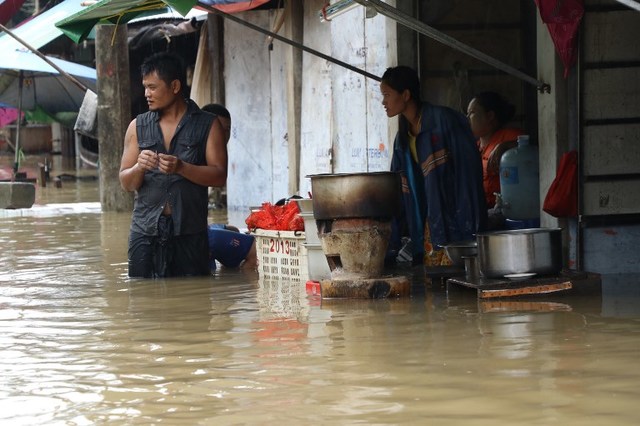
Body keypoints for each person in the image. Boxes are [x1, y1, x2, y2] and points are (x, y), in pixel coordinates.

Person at [119, 52, 228, 278]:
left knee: (193, 303)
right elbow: (126, 182)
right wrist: (139, 167)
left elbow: (219, 176)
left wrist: (182, 168)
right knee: (142, 302)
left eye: (153, 87)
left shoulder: (208, 124)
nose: (146, 94)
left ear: (175, 86)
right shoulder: (137, 126)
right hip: (145, 233)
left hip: (189, 233)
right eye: (145, 87)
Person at [380, 66, 487, 267]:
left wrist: (471, 226)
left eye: (387, 95)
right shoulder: (401, 139)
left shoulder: (445, 121)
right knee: (435, 288)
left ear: (405, 95)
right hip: (428, 226)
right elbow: (397, 191)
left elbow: (469, 176)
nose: (383, 102)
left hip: (456, 220)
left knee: (459, 280)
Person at [466, 91, 523, 209]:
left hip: (504, 210)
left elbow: (535, 145)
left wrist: (505, 146)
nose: (467, 118)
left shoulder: (508, 137)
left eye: (472, 113)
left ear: (489, 116)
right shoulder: (473, 146)